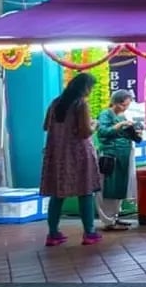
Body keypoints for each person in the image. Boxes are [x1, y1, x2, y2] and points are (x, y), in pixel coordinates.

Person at [40, 73, 103, 246]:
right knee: (85, 191)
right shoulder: (80, 104)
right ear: (84, 88)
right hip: (78, 154)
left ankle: (53, 234)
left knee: (57, 194)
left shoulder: (55, 103)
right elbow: (84, 132)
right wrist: (94, 125)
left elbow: (46, 126)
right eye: (90, 88)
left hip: (57, 154)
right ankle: (89, 233)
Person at [95, 89, 140, 231]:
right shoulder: (105, 114)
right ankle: (107, 220)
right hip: (110, 156)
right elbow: (103, 132)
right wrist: (120, 125)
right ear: (115, 102)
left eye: (127, 105)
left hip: (123, 156)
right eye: (123, 105)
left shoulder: (122, 115)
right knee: (108, 187)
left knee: (119, 187)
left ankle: (115, 216)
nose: (124, 108)